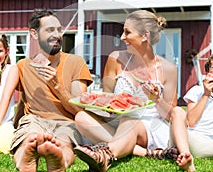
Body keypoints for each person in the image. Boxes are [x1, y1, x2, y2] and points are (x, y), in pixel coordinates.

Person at [74, 9, 178, 172]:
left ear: (145, 36)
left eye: (127, 32)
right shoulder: (115, 59)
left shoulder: (168, 69)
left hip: (150, 127)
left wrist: (157, 99)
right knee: (81, 117)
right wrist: (94, 101)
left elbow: (173, 115)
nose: (122, 37)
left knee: (130, 122)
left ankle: (105, 155)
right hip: (118, 122)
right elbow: (107, 99)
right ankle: (144, 152)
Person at [10, 9, 92, 171]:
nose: (57, 35)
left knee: (65, 143)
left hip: (66, 122)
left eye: (59, 30)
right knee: (28, 138)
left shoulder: (76, 62)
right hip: (35, 120)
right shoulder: (23, 66)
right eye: (50, 30)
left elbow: (79, 111)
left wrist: (57, 86)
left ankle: (60, 162)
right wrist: (15, 124)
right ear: (34, 34)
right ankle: (24, 162)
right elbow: (24, 100)